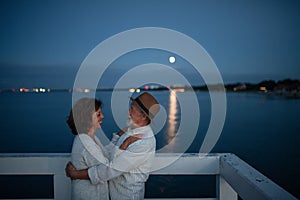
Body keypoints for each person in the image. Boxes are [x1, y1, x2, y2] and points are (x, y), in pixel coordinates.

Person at [66, 92, 160, 200]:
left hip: (127, 196)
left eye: (132, 109)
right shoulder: (130, 131)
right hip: (114, 194)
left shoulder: (144, 142)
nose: (128, 112)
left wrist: (77, 174)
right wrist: (118, 139)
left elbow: (112, 169)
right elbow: (108, 155)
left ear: (143, 116)